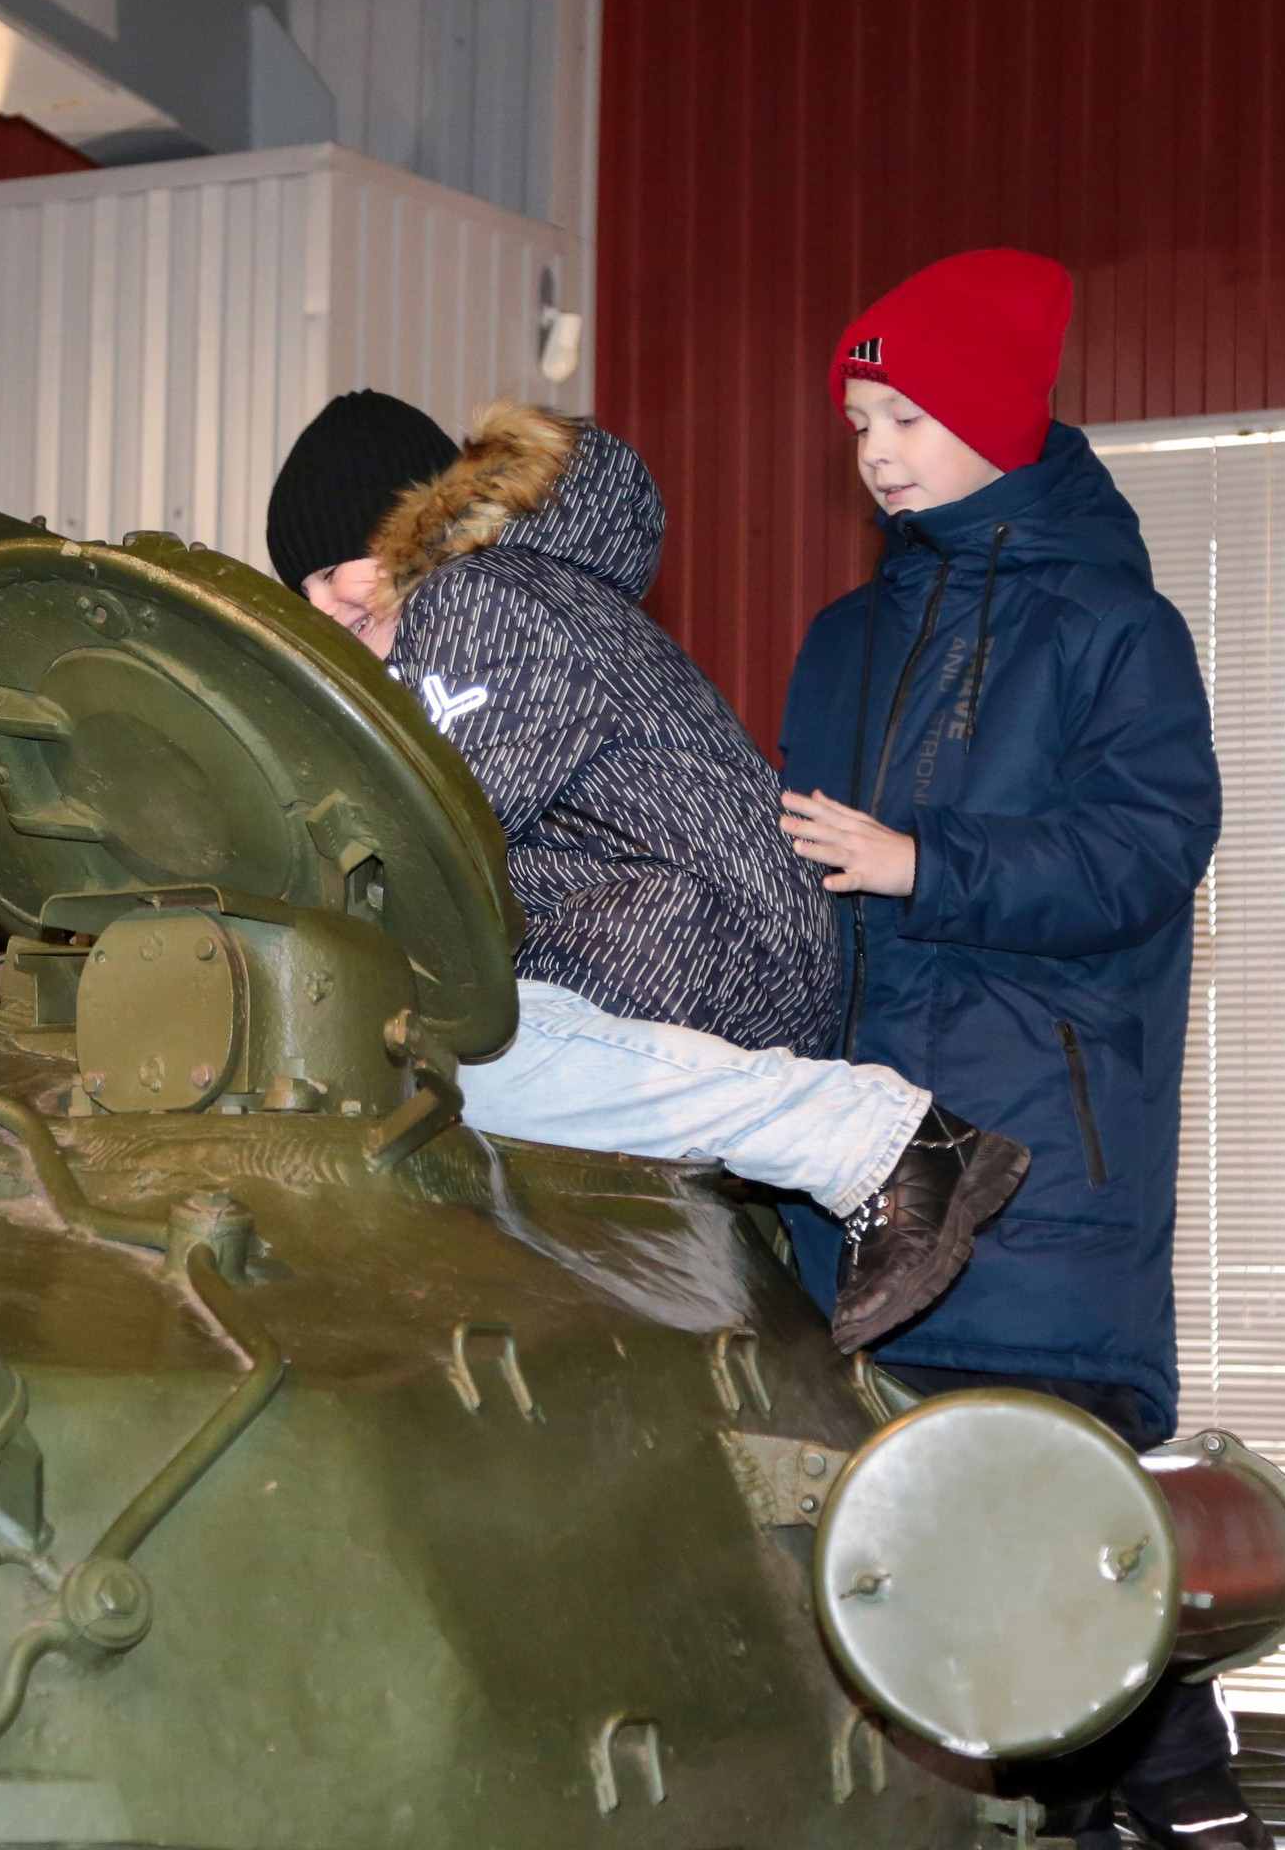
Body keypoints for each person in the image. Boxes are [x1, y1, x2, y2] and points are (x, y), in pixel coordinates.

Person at [773, 249, 1242, 1848]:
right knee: (922, 1547)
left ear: (996, 415)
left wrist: (928, 864)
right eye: (859, 424)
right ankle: (1125, 1799)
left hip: (1041, 1148)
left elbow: (1147, 851)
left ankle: (1182, 1799)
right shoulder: (844, 639)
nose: (877, 452)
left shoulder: (1117, 629)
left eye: (908, 416)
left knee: (1035, 1511)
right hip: (861, 1151)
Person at [267, 391, 1028, 1352]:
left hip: (675, 931)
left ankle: (874, 1139)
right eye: (302, 589)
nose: (325, 609)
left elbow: (436, 848)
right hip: (692, 936)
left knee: (421, 1061)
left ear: (417, 530)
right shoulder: (540, 599)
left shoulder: (478, 598)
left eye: (339, 571)